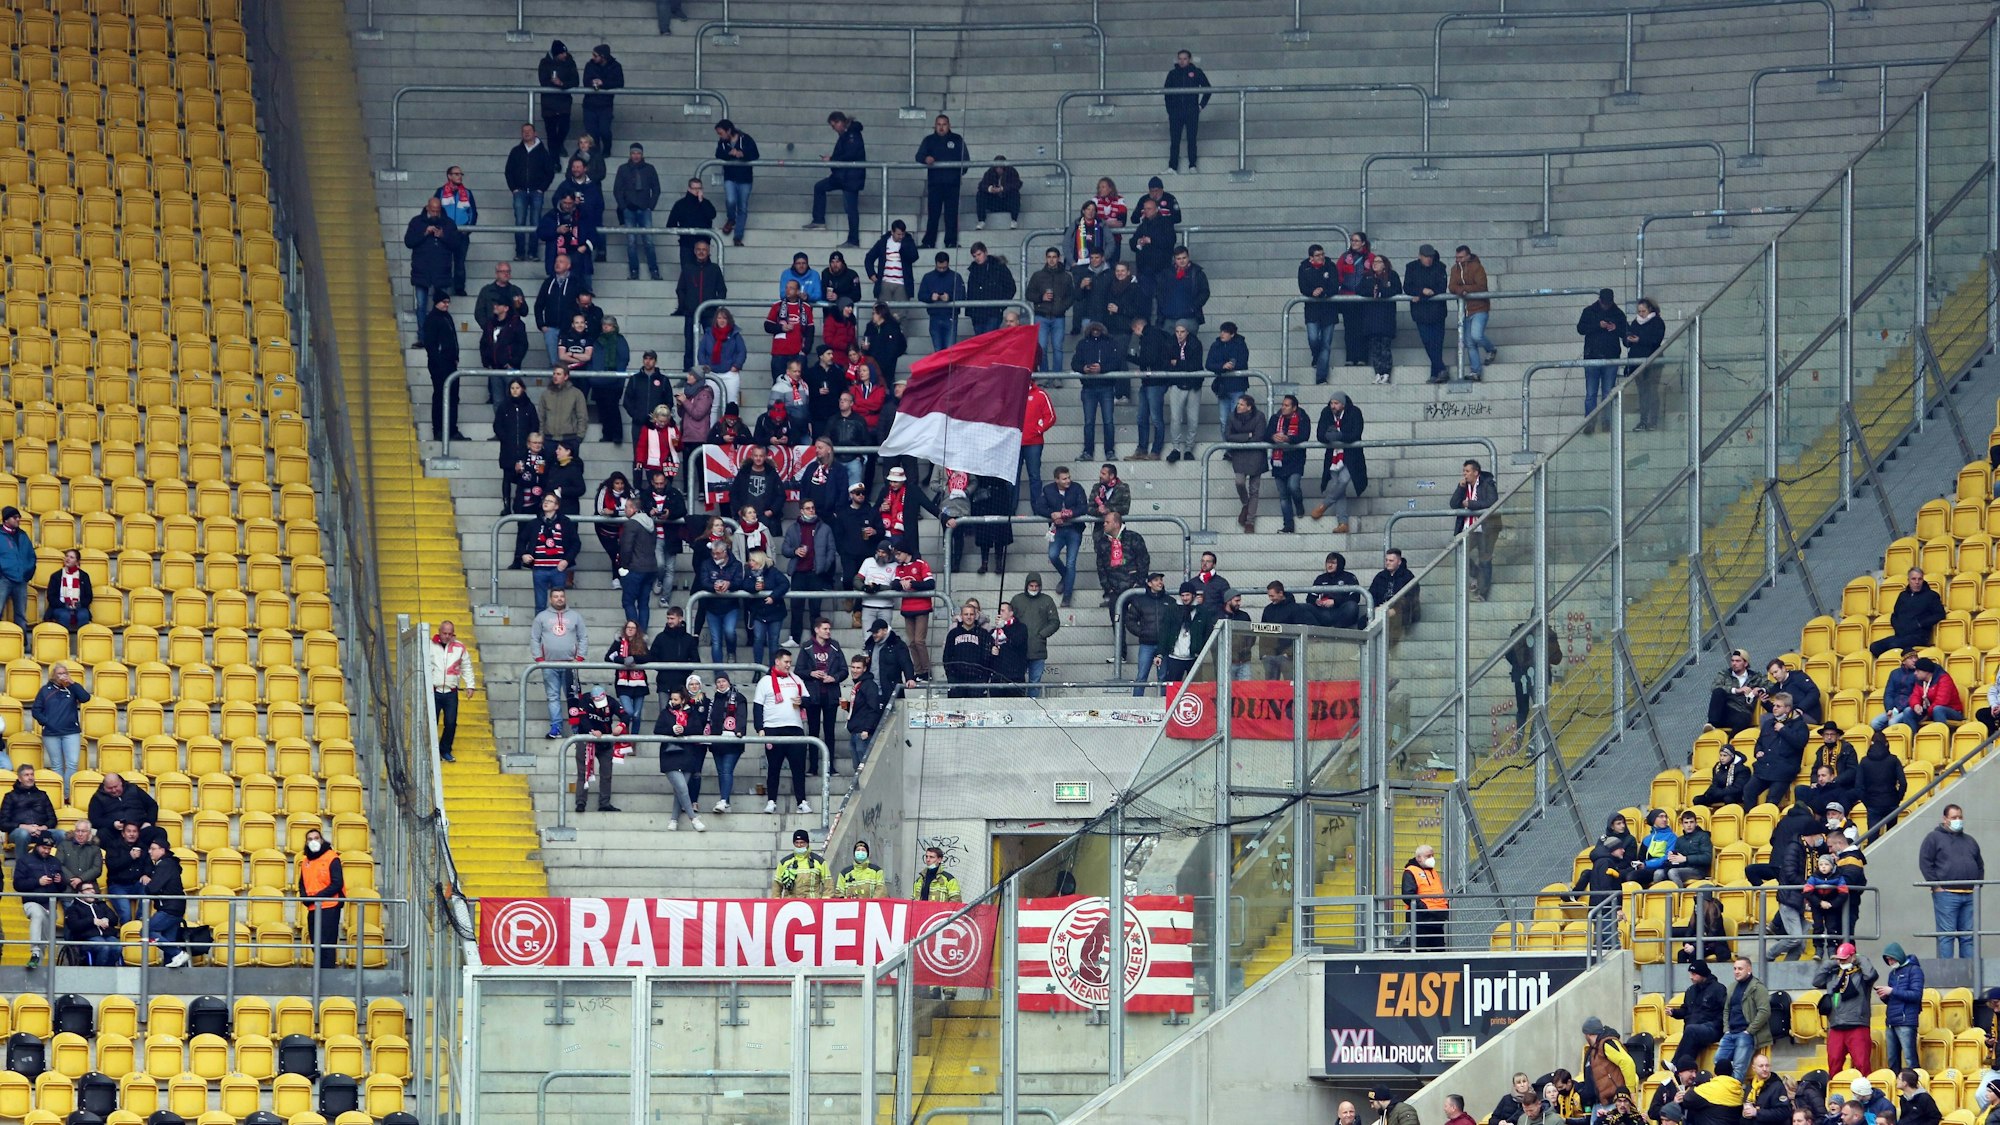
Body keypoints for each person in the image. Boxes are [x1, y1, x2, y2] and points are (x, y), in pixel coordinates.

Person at [1919, 803, 1983, 958]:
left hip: (1969, 894)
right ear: (1945, 819)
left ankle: (1969, 978)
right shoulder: (1933, 838)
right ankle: (1946, 980)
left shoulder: (1970, 840)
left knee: (1968, 937)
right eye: (1954, 817)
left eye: (1960, 817)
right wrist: (1936, 886)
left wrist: (1978, 885)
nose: (1958, 820)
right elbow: (1925, 862)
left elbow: (1980, 864)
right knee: (1946, 936)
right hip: (1946, 895)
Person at [755, 650, 811, 815]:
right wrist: (760, 728)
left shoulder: (796, 679)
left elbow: (808, 699)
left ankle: (801, 801)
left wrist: (802, 701)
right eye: (786, 662)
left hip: (795, 728)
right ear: (777, 661)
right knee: (774, 767)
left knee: (798, 767)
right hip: (773, 728)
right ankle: (771, 801)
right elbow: (758, 706)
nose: (789, 665)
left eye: (790, 662)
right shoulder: (765, 681)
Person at [531, 588, 587, 741]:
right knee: (553, 697)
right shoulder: (541, 617)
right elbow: (534, 638)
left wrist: (580, 658)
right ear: (550, 599)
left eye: (562, 596)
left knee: (573, 697)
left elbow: (583, 637)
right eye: (556, 596)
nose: (559, 599)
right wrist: (539, 659)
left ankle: (577, 728)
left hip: (570, 664)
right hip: (549, 664)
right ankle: (556, 727)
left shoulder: (575, 616)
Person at [1813, 942, 1879, 1072]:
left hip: (1857, 1025)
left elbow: (1871, 974)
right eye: (1839, 959)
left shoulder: (1861, 975)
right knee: (1834, 1064)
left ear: (1852, 957)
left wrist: (1859, 958)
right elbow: (1816, 981)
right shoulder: (1833, 973)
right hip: (1836, 1026)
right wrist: (1832, 962)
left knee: (1862, 1065)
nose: (1841, 961)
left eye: (1844, 959)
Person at [808, 111, 867, 247]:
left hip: (851, 178)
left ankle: (853, 240)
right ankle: (818, 220)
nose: (834, 129)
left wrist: (832, 159)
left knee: (851, 209)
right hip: (842, 176)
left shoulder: (852, 134)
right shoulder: (847, 134)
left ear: (839, 122)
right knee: (819, 187)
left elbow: (850, 154)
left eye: (834, 126)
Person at [567, 684, 626, 814]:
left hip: (605, 742)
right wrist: (592, 731)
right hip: (587, 740)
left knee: (606, 773)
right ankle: (580, 802)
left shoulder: (611, 701)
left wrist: (621, 725)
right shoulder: (585, 700)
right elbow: (582, 719)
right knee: (583, 773)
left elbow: (626, 715)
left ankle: (604, 803)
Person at [1744, 691, 1807, 808]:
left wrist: (1783, 730)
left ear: (1788, 709)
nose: (1774, 708)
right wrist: (1758, 751)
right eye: (1774, 705)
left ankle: (1767, 823)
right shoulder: (1768, 724)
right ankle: (1750, 820)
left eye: (1778, 706)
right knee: (1748, 790)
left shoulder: (1799, 725)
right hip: (1764, 767)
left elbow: (1800, 743)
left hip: (1783, 771)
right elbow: (1760, 742)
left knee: (1771, 801)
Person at [506, 123, 560, 261]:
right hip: (520, 192)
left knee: (535, 222)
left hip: (536, 192)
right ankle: (519, 252)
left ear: (535, 133)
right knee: (519, 222)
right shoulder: (516, 151)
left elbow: (549, 172)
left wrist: (542, 188)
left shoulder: (543, 152)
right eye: (524, 131)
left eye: (529, 131)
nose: (526, 133)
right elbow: (508, 171)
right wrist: (514, 188)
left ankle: (533, 253)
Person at [1578, 289, 1629, 433]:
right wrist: (1597, 325)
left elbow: (1626, 333)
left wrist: (1616, 328)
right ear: (1600, 300)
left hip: (1610, 358)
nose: (1606, 306)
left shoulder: (1618, 314)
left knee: (1607, 393)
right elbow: (1581, 329)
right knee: (1591, 393)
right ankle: (1590, 422)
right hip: (1592, 357)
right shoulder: (1589, 311)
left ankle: (1606, 422)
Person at [610, 143, 662, 282]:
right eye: (633, 153)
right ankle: (634, 270)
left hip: (644, 209)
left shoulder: (650, 169)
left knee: (649, 241)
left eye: (638, 153)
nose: (636, 156)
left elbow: (656, 189)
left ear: (642, 154)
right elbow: (617, 190)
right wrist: (623, 206)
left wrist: (650, 206)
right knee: (631, 242)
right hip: (629, 210)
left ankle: (654, 270)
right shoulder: (623, 169)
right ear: (630, 154)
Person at [295, 826, 345, 969]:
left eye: (316, 838)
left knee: (327, 944)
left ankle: (327, 976)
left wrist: (317, 897)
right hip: (313, 907)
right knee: (316, 943)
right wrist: (305, 898)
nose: (313, 841)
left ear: (322, 840)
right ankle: (319, 974)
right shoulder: (305, 861)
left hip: (329, 907)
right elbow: (302, 883)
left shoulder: (332, 857)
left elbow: (337, 883)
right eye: (310, 839)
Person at [675, 241, 728, 372]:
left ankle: (712, 371)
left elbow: (722, 290)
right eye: (698, 249)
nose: (701, 252)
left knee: (712, 344)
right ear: (694, 251)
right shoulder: (688, 268)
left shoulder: (714, 269)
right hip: (691, 313)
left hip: (709, 314)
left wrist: (714, 306)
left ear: (709, 251)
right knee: (689, 345)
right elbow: (680, 289)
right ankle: (688, 373)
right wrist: (685, 305)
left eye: (704, 249)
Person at [31, 663, 88, 784]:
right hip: (51, 733)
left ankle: (67, 794)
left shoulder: (72, 689)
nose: (62, 676)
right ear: (53, 676)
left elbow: (85, 698)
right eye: (59, 673)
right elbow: (36, 710)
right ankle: (59, 792)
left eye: (65, 673)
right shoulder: (45, 690)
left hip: (71, 732)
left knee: (72, 763)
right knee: (57, 765)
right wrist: (46, 722)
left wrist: (72, 682)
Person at [1871, 943, 1925, 1071]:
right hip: (1891, 1021)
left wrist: (1891, 991)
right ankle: (1895, 1085)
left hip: (1906, 1021)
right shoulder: (1893, 974)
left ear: (1899, 956)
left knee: (1910, 1058)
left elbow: (1916, 995)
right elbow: (1893, 999)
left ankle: (1914, 1086)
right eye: (1888, 959)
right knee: (1892, 1058)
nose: (1890, 962)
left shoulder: (1915, 970)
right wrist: (1884, 996)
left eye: (1892, 958)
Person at [1714, 957, 1771, 1078]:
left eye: (1740, 968)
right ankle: (1722, 1090)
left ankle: (1734, 1094)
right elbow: (1726, 1009)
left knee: (1739, 1067)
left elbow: (1764, 1012)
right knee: (1718, 1063)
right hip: (1730, 1033)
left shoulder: (1758, 987)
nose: (1736, 971)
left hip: (1745, 1034)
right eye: (1734, 968)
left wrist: (1749, 1031)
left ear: (1749, 969)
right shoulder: (1732, 987)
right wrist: (1726, 1029)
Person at [1451, 459, 1500, 599]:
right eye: (1463, 471)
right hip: (1468, 528)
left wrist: (1471, 504)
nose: (1464, 474)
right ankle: (1477, 574)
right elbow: (1453, 504)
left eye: (1467, 471)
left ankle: (1483, 592)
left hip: (1485, 528)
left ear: (1476, 472)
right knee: (1460, 554)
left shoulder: (1487, 483)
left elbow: (1492, 501)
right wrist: (1460, 488)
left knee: (1485, 559)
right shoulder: (1464, 486)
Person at [915, 114, 967, 248]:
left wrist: (958, 173)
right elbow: (918, 156)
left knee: (951, 214)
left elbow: (965, 160)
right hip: (935, 184)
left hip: (952, 184)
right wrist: (926, 159)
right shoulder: (929, 140)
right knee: (933, 214)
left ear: (949, 125)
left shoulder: (957, 139)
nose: (941, 127)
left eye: (944, 124)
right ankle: (928, 242)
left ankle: (951, 242)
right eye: (939, 124)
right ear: (935, 126)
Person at [428, 620, 475, 763]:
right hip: (433, 691)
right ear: (439, 631)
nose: (447, 636)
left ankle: (445, 750)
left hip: (451, 692)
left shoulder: (459, 647)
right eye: (444, 633)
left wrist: (470, 686)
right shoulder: (429, 645)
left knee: (451, 723)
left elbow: (467, 666)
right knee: (431, 722)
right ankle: (429, 751)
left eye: (450, 633)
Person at [420, 290, 464, 441]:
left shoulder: (446, 317)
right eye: (444, 302)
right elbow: (430, 345)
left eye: (447, 302)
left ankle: (451, 429)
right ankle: (439, 429)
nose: (446, 305)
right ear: (437, 302)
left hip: (450, 363)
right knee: (440, 396)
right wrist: (439, 362)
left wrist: (455, 357)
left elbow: (453, 340)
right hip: (440, 365)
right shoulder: (432, 319)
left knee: (452, 397)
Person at [139, 836, 190, 967]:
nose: (150, 852)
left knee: (146, 931)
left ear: (162, 850)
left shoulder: (165, 865)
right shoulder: (169, 864)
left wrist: (148, 884)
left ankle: (177, 953)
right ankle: (170, 977)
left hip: (169, 908)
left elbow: (152, 888)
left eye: (153, 849)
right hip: (175, 907)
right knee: (169, 939)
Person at [1404, 244, 1452, 383]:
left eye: (1430, 257)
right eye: (1426, 257)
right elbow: (1407, 286)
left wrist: (1420, 295)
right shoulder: (1411, 267)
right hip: (1420, 313)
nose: (1428, 260)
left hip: (1437, 311)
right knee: (1427, 341)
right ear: (1420, 256)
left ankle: (1435, 373)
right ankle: (1441, 369)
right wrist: (1422, 291)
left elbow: (1440, 288)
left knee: (1437, 343)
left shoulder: (1440, 267)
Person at [1666, 963, 1724, 1079]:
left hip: (1712, 1028)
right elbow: (1685, 1010)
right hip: (1693, 1031)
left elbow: (1725, 1011)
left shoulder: (1718, 989)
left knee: (1691, 1030)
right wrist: (1674, 1012)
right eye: (1690, 974)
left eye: (1694, 974)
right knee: (1691, 1032)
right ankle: (1683, 1075)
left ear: (1703, 974)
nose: (1691, 977)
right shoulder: (1691, 990)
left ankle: (1676, 1064)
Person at [702, 672, 749, 813]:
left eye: (723, 681)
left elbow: (741, 715)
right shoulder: (713, 699)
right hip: (717, 742)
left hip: (732, 741)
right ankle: (726, 802)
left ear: (728, 682)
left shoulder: (739, 697)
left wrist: (740, 730)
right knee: (721, 772)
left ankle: (723, 800)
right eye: (718, 682)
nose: (721, 684)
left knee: (727, 771)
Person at [13, 831, 60, 968]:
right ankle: (34, 952)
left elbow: (62, 888)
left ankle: (36, 963)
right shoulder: (24, 860)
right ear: (37, 846)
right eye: (44, 848)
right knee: (37, 914)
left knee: (45, 941)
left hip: (50, 904)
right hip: (31, 901)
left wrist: (60, 881)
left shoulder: (55, 861)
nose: (46, 851)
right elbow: (17, 884)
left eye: (49, 849)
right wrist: (37, 882)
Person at [1450, 245, 1495, 380]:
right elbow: (1451, 286)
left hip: (1479, 308)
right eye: (1457, 257)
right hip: (1464, 311)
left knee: (1476, 336)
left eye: (1461, 257)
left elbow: (1481, 286)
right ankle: (1476, 371)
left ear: (1468, 256)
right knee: (1469, 343)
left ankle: (1491, 349)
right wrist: (1460, 291)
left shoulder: (1477, 267)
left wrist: (1464, 289)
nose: (1458, 260)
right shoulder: (1454, 269)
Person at [1224, 395, 1268, 533]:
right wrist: (1247, 436)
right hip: (1240, 455)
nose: (1238, 406)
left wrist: (1240, 439)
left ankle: (1250, 521)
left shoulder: (1259, 416)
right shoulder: (1232, 417)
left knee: (1254, 489)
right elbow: (1228, 436)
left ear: (1249, 407)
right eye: (1238, 404)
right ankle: (1246, 504)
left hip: (1256, 455)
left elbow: (1259, 436)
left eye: (1242, 404)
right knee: (1239, 482)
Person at [1298, 244, 1341, 385]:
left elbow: (1335, 285)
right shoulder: (1304, 268)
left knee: (1326, 344)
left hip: (1329, 310)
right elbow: (1302, 287)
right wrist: (1312, 292)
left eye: (1322, 254)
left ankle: (1321, 377)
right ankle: (1316, 356)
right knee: (1313, 338)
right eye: (1317, 255)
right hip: (1312, 310)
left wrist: (1322, 290)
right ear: (1311, 258)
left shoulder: (1330, 266)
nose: (1321, 257)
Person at [1267, 394, 1310, 533]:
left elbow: (1304, 436)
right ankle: (1288, 525)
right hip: (1279, 461)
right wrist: (1273, 437)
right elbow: (1266, 434)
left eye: (1286, 405)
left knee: (1293, 486)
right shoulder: (1275, 419)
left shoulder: (1303, 419)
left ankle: (1299, 504)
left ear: (1294, 408)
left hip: (1295, 460)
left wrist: (1288, 439)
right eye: (1282, 405)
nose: (1283, 407)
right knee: (1283, 495)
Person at [1162, 49, 1210, 172]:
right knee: (1175, 140)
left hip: (1191, 111)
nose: (1182, 61)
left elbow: (1208, 89)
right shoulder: (1172, 74)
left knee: (1192, 139)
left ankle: (1192, 165)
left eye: (1185, 58)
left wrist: (1200, 106)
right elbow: (1166, 94)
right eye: (1180, 58)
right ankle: (1172, 167)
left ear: (1189, 59)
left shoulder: (1196, 72)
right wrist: (1170, 110)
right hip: (1176, 112)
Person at [1356, 254, 1401, 384]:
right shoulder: (1367, 276)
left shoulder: (1392, 275)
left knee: (1385, 347)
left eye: (1378, 261)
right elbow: (1359, 289)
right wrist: (1372, 292)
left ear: (1385, 264)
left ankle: (1386, 373)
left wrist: (1381, 292)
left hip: (1386, 317)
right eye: (1373, 261)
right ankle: (1377, 373)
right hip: (1371, 318)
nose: (1375, 264)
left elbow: (1396, 289)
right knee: (1375, 348)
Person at [1028, 247, 1075, 371]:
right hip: (1041, 316)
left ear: (1058, 258)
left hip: (1058, 317)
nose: (1051, 260)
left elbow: (1071, 296)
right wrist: (1041, 297)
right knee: (1042, 347)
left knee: (1057, 347)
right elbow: (1029, 294)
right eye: (1049, 257)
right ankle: (1044, 375)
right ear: (1046, 258)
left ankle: (1057, 376)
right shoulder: (1037, 276)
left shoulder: (1066, 277)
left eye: (1054, 257)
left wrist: (1062, 308)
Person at [712, 119, 759, 246]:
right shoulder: (722, 142)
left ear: (728, 131)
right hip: (730, 177)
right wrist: (730, 153)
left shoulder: (746, 139)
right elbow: (718, 154)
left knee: (742, 207)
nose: (720, 136)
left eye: (721, 133)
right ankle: (731, 218)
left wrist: (742, 154)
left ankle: (738, 236)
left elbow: (755, 154)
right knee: (731, 200)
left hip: (745, 179)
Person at [1095, 511, 1150, 617]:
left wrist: (1138, 583)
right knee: (1116, 621)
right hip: (1114, 591)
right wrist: (1108, 588)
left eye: (1107, 522)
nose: (1104, 524)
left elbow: (1143, 560)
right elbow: (1100, 567)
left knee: (1141, 619)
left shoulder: (1133, 537)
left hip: (1134, 588)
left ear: (1116, 524)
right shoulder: (1102, 542)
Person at [1626, 298, 1667, 431]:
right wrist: (1628, 339)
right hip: (1637, 362)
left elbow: (1656, 340)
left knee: (1652, 390)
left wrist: (1640, 339)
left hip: (1653, 362)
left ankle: (1653, 421)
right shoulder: (1635, 323)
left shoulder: (1657, 322)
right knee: (1642, 392)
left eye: (1643, 311)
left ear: (1650, 309)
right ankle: (1643, 420)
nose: (1641, 314)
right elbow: (1627, 342)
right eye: (1639, 311)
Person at [1858, 732, 1907, 837]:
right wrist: (1898, 798)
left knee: (1872, 837)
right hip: (1891, 801)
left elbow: (1858, 786)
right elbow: (1903, 783)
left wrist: (1867, 801)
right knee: (1892, 837)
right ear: (1886, 743)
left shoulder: (1864, 761)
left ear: (1871, 743)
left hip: (1872, 803)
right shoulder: (1893, 760)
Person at [1400, 843, 1448, 950]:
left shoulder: (1433, 872)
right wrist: (1424, 908)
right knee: (1421, 950)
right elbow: (1408, 895)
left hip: (1437, 918)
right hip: (1421, 919)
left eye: (1432, 855)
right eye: (1428, 856)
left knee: (1439, 951)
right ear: (1419, 858)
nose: (1431, 858)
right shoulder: (1411, 871)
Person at [1153, 246, 1210, 333]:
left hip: (1189, 317)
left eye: (1184, 258)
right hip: (1169, 318)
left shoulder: (1197, 273)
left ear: (1188, 257)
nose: (1182, 261)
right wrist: (1164, 308)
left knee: (1188, 345)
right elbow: (1159, 292)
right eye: (1178, 258)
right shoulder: (1166, 273)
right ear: (1174, 259)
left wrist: (1193, 307)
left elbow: (1205, 292)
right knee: (1168, 345)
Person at [61, 881, 117, 966]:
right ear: (80, 893)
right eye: (88, 889)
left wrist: (107, 920)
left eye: (93, 889)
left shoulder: (101, 905)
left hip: (106, 935)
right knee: (104, 947)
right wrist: (92, 921)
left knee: (117, 947)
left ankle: (110, 970)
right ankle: (99, 972)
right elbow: (74, 926)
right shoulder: (73, 909)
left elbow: (115, 919)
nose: (92, 891)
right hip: (86, 939)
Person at [918, 252, 966, 354]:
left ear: (948, 264)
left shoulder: (956, 277)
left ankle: (948, 370)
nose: (942, 270)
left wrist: (949, 297)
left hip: (950, 317)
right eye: (939, 268)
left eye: (944, 268)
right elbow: (921, 295)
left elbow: (962, 296)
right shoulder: (928, 277)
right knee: (938, 351)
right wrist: (931, 297)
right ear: (935, 264)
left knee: (950, 351)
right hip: (935, 317)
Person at [942, 601, 992, 698]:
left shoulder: (983, 633)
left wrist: (984, 678)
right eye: (966, 614)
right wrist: (951, 676)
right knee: (956, 711)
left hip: (977, 681)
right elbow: (947, 656)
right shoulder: (953, 633)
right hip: (957, 680)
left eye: (971, 614)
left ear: (975, 615)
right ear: (961, 615)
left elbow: (988, 657)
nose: (969, 617)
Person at [844, 654, 884, 769]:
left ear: (864, 669)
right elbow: (860, 708)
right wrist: (847, 706)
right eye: (853, 667)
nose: (855, 670)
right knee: (857, 768)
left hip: (862, 733)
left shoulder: (869, 685)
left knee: (863, 768)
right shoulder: (859, 684)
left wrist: (867, 729)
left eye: (858, 668)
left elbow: (873, 708)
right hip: (855, 731)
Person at [1708, 649, 1762, 734]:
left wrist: (1759, 690)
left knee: (1744, 717)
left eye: (1738, 661)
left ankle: (1729, 744)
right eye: (1732, 661)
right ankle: (1712, 725)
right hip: (1726, 711)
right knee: (1718, 691)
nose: (1734, 663)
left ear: (1745, 663)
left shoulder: (1755, 677)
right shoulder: (1724, 674)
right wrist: (1736, 690)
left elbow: (1770, 685)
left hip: (1742, 712)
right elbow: (1714, 687)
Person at [40, 548, 91, 632]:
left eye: (71, 557)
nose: (67, 559)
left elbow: (89, 596)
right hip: (60, 606)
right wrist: (64, 604)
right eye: (67, 556)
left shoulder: (84, 576)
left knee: (83, 615)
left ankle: (83, 642)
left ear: (77, 562)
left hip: (79, 607)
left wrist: (78, 604)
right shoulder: (56, 576)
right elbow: (51, 596)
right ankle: (63, 642)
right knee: (64, 615)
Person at [772, 828, 830, 898]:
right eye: (797, 843)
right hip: (790, 905)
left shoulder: (820, 862)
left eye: (802, 842)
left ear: (807, 843)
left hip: (813, 905)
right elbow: (777, 887)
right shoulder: (784, 862)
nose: (799, 845)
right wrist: (776, 903)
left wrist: (825, 902)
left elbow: (828, 885)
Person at [1666, 809, 1713, 886]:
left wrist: (1686, 859)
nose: (1689, 825)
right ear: (1682, 825)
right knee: (1659, 873)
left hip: (1698, 870)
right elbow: (1678, 860)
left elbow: (1707, 858)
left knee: (1673, 872)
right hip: (1683, 868)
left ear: (1696, 823)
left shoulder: (1703, 836)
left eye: (1691, 822)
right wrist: (1672, 858)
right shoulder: (1680, 840)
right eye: (1686, 823)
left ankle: (1679, 896)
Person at [975, 158, 1021, 230]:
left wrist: (1003, 189)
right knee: (980, 194)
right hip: (995, 202)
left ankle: (1014, 220)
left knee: (1015, 194)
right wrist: (989, 189)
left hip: (1007, 201)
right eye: (997, 167)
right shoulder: (990, 172)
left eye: (1001, 167)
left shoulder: (1012, 172)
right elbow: (981, 185)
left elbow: (1018, 184)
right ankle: (981, 220)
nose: (999, 170)